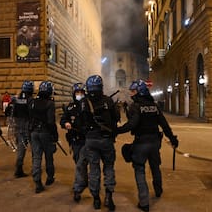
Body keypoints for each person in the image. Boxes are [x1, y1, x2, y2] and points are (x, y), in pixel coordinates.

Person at [116, 79, 179, 212]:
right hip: (155, 142)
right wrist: (172, 138)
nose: (131, 94)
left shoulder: (136, 106)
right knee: (155, 166)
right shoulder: (154, 106)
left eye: (133, 91)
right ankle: (158, 190)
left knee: (139, 169)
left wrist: (117, 130)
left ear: (140, 92)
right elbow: (164, 124)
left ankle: (144, 202)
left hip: (141, 143)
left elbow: (132, 124)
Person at [79, 75, 119, 210]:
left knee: (94, 169)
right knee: (108, 167)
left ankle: (96, 198)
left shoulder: (84, 102)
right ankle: (109, 196)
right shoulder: (108, 100)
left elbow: (81, 121)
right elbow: (116, 118)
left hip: (91, 139)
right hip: (106, 139)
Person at [60, 83, 88, 202]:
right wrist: (65, 123)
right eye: (77, 93)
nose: (79, 95)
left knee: (80, 164)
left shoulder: (88, 105)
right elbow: (63, 119)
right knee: (79, 162)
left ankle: (77, 188)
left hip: (86, 140)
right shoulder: (70, 107)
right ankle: (84, 181)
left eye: (81, 92)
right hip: (75, 140)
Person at [29, 81, 58, 193]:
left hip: (34, 132)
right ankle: (50, 178)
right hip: (45, 132)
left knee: (36, 157)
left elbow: (30, 118)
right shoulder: (50, 104)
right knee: (48, 156)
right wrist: (55, 136)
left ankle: (37, 182)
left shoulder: (32, 102)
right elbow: (51, 122)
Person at [13, 80, 34, 178]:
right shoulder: (30, 100)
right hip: (28, 126)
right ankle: (35, 168)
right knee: (35, 148)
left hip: (18, 126)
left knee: (21, 148)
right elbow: (32, 113)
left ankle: (18, 168)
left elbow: (14, 113)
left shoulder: (18, 99)